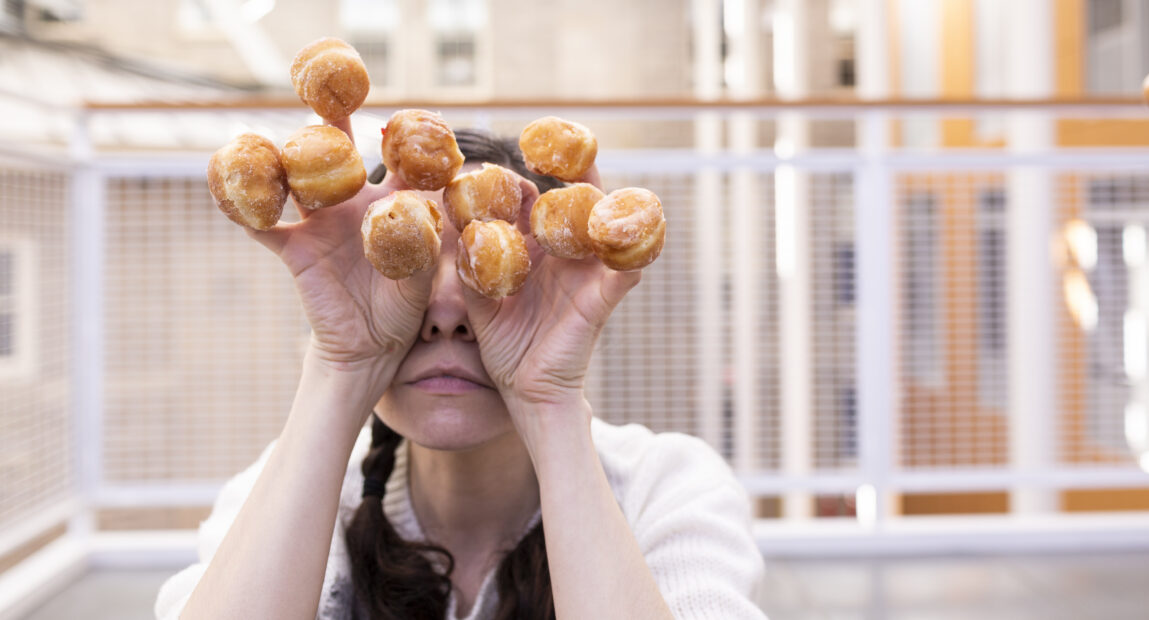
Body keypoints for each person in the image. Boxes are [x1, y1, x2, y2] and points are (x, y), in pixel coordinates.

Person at [155, 122, 767, 619]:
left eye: (487, 251)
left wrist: (548, 401)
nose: (447, 311)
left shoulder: (667, 487)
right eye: (409, 253)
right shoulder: (290, 492)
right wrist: (341, 368)